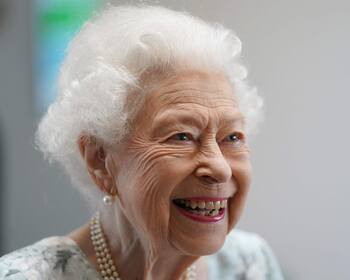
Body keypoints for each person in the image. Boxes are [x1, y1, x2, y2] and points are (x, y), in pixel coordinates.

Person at [0, 4, 283, 280]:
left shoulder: (250, 265)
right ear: (100, 160)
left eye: (232, 137)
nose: (221, 169)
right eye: (182, 136)